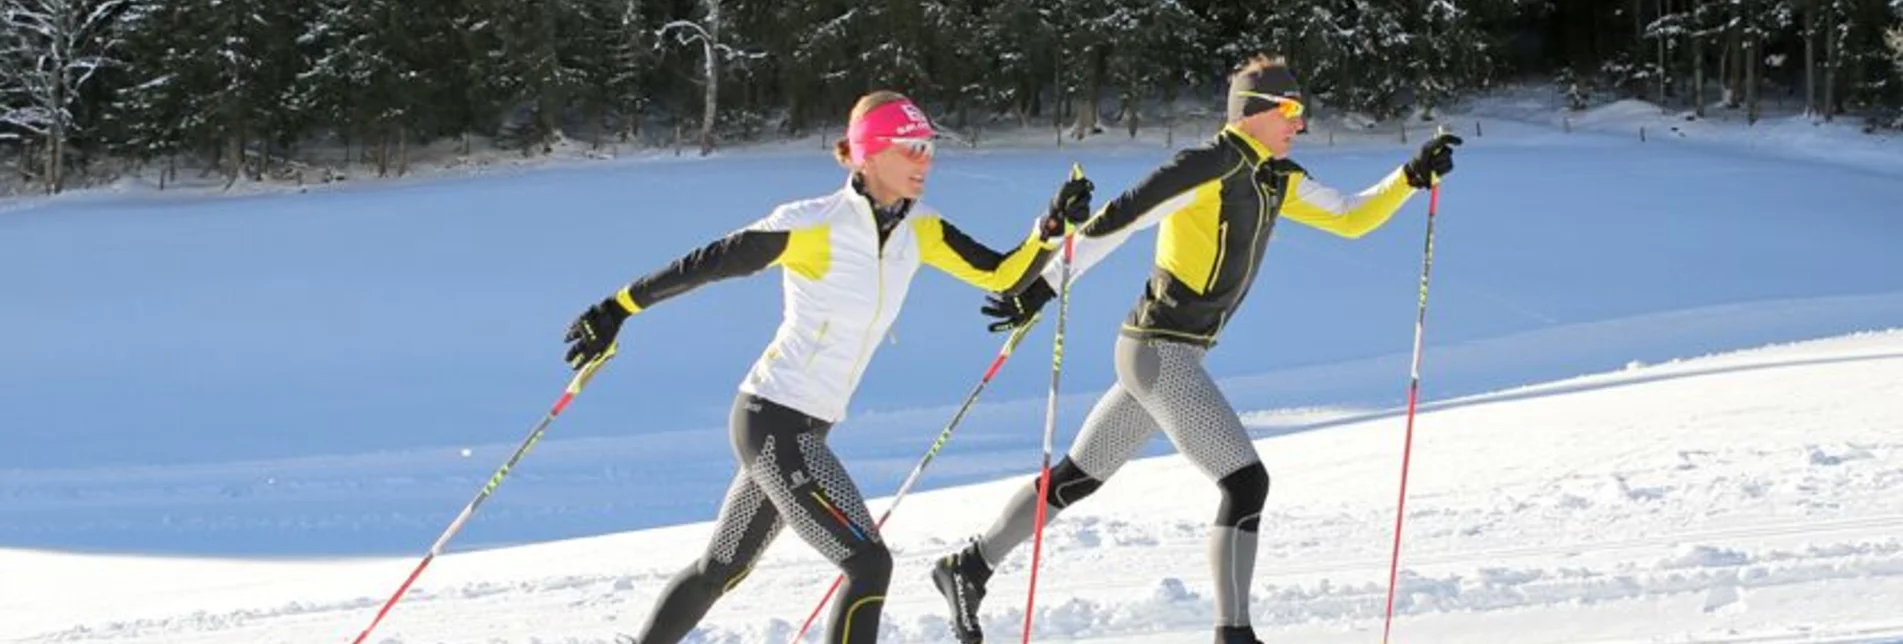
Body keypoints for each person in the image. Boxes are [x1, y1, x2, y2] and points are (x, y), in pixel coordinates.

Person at [930, 55, 1462, 644]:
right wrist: (1039, 289)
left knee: (1074, 479)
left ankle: (968, 566)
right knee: (1245, 483)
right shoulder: (1208, 164)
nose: (1300, 124)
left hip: (1172, 355)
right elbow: (1119, 219)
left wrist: (1411, 178)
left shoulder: (1276, 178)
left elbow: (1351, 217)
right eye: (1291, 112)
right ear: (1255, 113)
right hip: (1158, 350)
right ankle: (1233, 634)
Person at [563, 90, 1094, 643]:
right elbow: (709, 263)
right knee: (868, 563)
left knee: (721, 568)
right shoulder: (814, 223)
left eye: (928, 148)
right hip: (773, 419)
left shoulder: (923, 229)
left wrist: (1050, 228)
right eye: (910, 148)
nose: (924, 160)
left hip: (805, 426)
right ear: (868, 154)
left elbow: (1004, 275)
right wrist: (617, 307)